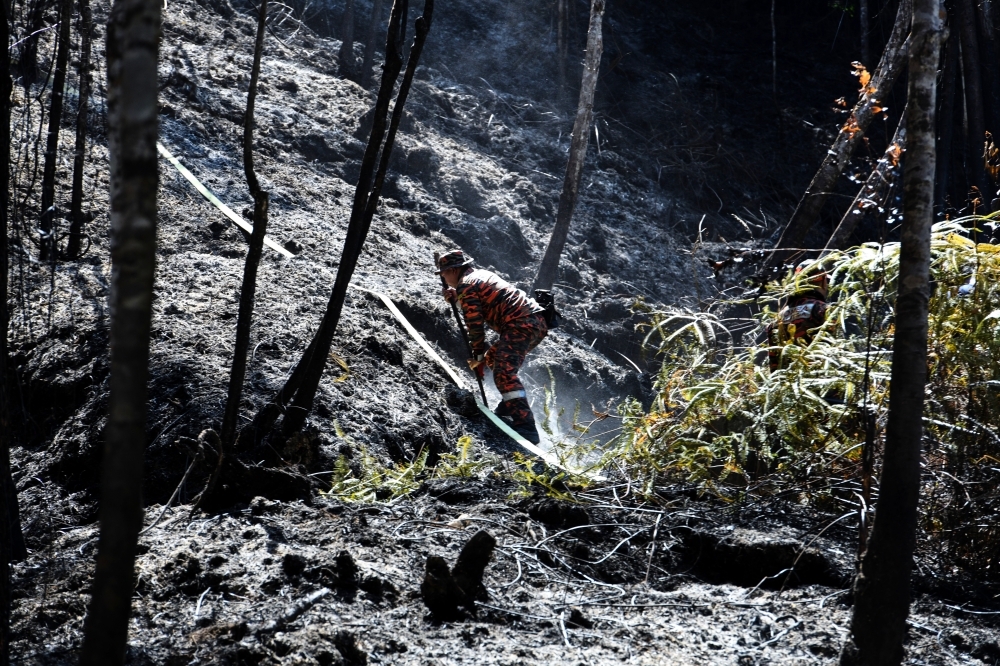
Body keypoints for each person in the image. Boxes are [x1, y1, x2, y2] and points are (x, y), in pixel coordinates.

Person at [436, 250, 548, 444]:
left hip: (521, 324)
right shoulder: (478, 276)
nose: (443, 278)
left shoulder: (466, 285)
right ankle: (508, 405)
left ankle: (526, 426)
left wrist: (477, 358)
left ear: (453, 270)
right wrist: (458, 297)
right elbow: (484, 299)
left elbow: (475, 326)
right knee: (494, 359)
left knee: (504, 373)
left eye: (443, 273)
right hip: (536, 322)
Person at [766, 262, 829, 372]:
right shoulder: (824, 310)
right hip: (819, 378)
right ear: (821, 282)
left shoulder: (778, 319)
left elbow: (774, 366)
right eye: (826, 281)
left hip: (787, 383)